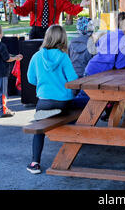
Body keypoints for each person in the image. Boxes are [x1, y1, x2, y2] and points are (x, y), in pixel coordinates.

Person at [26, 25, 85, 174]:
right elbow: (72, 79)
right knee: (77, 110)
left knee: (38, 129)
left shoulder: (37, 56)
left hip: (44, 103)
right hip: (63, 102)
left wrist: (44, 83)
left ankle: (35, 163)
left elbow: (31, 79)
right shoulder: (63, 56)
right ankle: (74, 148)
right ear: (62, 39)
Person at [84, 12, 125, 121]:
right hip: (102, 75)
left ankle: (109, 111)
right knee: (118, 88)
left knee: (92, 97)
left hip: (90, 69)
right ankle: (113, 113)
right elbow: (120, 65)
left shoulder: (106, 35)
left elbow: (98, 48)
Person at [7, 0, 90, 39]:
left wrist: (81, 5)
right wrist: (15, 6)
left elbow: (71, 9)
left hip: (52, 30)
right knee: (34, 55)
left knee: (52, 55)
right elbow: (24, 11)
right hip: (36, 30)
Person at [0, 24, 23, 117]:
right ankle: (4, 110)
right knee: (2, 92)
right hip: (1, 72)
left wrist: (14, 56)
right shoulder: (1, 45)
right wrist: (16, 58)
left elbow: (4, 55)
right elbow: (7, 58)